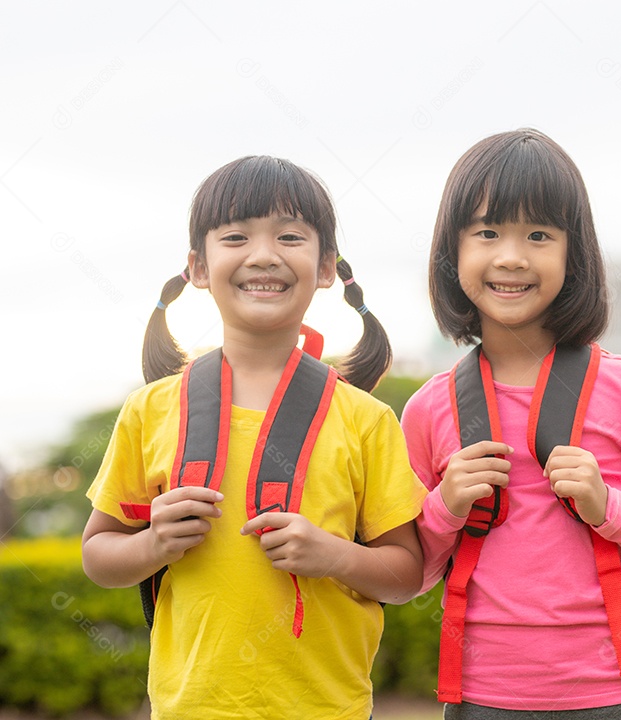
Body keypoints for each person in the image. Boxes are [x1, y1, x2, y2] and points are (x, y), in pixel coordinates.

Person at [401, 129, 621, 719]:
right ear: (452, 254)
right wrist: (444, 507)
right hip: (478, 699)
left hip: (616, 699)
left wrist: (610, 508)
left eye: (539, 235)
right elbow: (410, 573)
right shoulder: (430, 408)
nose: (511, 256)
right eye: (486, 232)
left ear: (572, 255)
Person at [82, 155, 427, 719]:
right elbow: (98, 557)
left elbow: (405, 575)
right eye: (237, 236)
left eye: (290, 236)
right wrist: (152, 544)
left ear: (325, 268)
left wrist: (333, 554)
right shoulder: (151, 409)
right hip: (191, 707)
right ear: (197, 266)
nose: (264, 255)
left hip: (327, 708)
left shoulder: (365, 418)